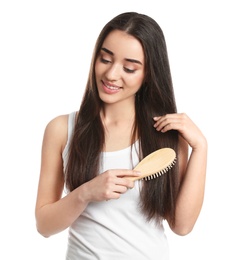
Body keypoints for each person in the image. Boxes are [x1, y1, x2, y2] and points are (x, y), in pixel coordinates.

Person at [35, 12, 207, 260]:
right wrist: (86, 193)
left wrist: (200, 147)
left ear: (148, 74)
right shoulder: (62, 129)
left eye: (129, 68)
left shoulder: (166, 136)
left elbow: (181, 226)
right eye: (105, 59)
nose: (112, 74)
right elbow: (44, 225)